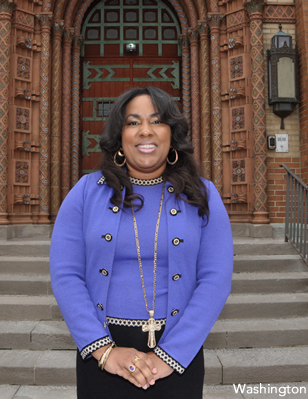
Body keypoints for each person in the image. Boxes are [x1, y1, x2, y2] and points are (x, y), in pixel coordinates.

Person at [50, 86, 234, 398]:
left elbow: (216, 279)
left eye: (157, 121)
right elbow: (66, 274)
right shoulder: (85, 192)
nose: (145, 131)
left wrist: (170, 355)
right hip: (102, 357)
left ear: (171, 135)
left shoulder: (204, 195)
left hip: (179, 354)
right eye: (133, 122)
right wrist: (104, 351)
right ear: (119, 136)